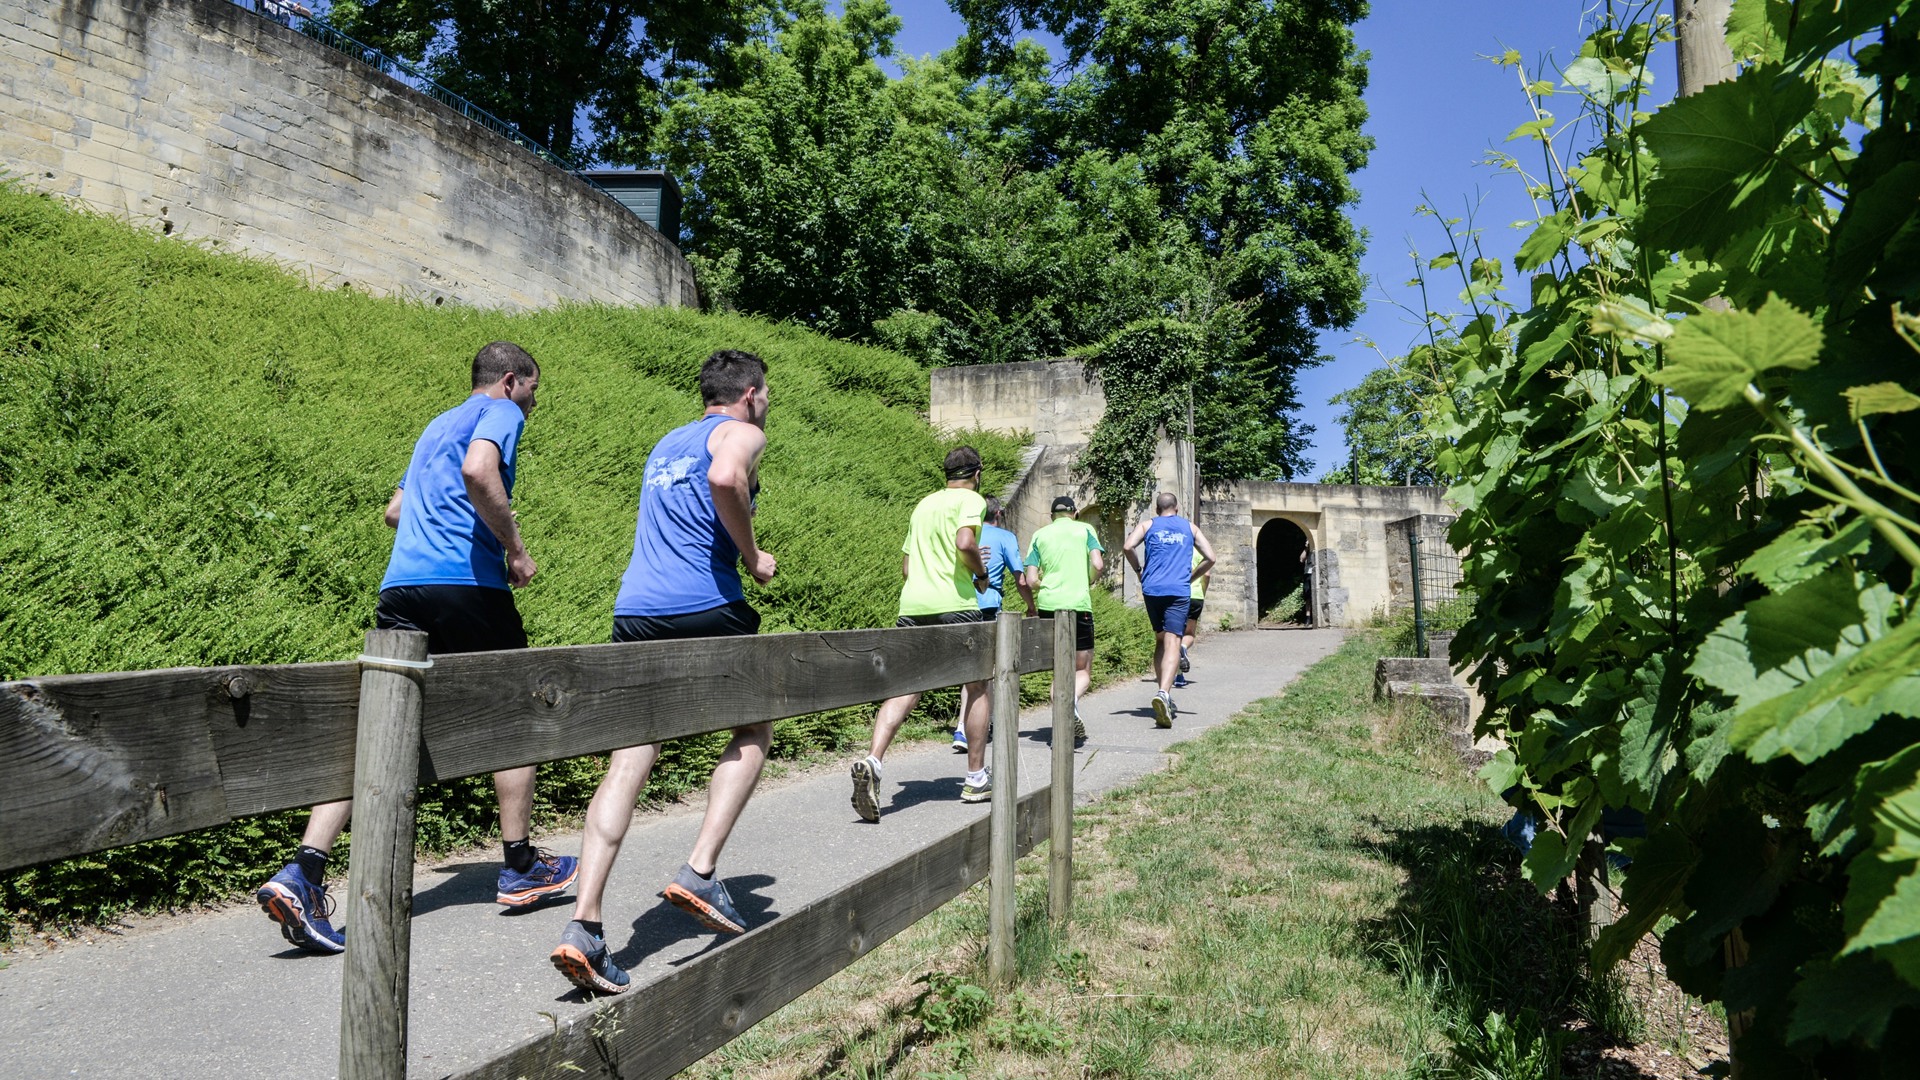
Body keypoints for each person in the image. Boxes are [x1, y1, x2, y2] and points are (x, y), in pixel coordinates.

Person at [256, 341, 576, 954]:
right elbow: (480, 471)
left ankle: (304, 869)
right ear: (510, 381)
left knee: (377, 725)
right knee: (517, 712)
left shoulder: (436, 423)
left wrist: (441, 524)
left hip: (403, 587)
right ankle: (519, 865)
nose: (534, 403)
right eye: (533, 390)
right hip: (467, 586)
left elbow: (396, 511)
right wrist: (512, 547)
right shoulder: (499, 412)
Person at [550, 350, 778, 995]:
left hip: (636, 609)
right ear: (752, 393)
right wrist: (752, 553)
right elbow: (728, 479)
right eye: (767, 395)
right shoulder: (742, 432)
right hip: (706, 603)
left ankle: (585, 926)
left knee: (630, 757)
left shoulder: (666, 444)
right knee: (754, 729)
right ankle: (701, 868)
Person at [851, 447, 992, 822]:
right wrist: (980, 575)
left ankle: (874, 761)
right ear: (977, 473)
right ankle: (976, 777)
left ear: (945, 473)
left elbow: (907, 567)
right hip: (956, 603)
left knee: (904, 687)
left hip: (913, 605)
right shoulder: (971, 499)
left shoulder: (923, 504)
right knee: (977, 686)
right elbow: (965, 543)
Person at [1122, 492, 1216, 728]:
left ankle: (1162, 691)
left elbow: (1127, 546)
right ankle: (1164, 692)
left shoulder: (1148, 525)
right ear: (1177, 507)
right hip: (1177, 589)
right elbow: (1210, 558)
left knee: (1160, 640)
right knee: (1174, 641)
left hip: (1152, 589)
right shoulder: (1189, 527)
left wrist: (1138, 570)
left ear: (1157, 508)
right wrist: (1191, 578)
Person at [952, 496, 1033, 753]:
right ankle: (984, 723)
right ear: (998, 513)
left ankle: (961, 728)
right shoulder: (1005, 537)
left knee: (969, 669)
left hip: (961, 605)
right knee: (991, 669)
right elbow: (1021, 580)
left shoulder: (966, 533)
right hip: (988, 605)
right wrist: (1031, 607)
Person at [1023, 495, 1104, 742]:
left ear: (1051, 516)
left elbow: (1031, 579)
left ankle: (1062, 710)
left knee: (1060, 668)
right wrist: (1088, 578)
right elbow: (1098, 564)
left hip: (1049, 606)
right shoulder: (1086, 530)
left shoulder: (1040, 535)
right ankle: (1071, 704)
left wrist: (1044, 585)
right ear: (1075, 512)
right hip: (1078, 604)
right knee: (1082, 668)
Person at [1175, 548, 1210, 689]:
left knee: (1175, 636)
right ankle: (1184, 648)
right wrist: (1203, 592)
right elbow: (1206, 575)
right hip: (1195, 595)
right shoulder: (1200, 551)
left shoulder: (1176, 549)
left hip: (1177, 595)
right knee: (1189, 634)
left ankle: (1178, 676)